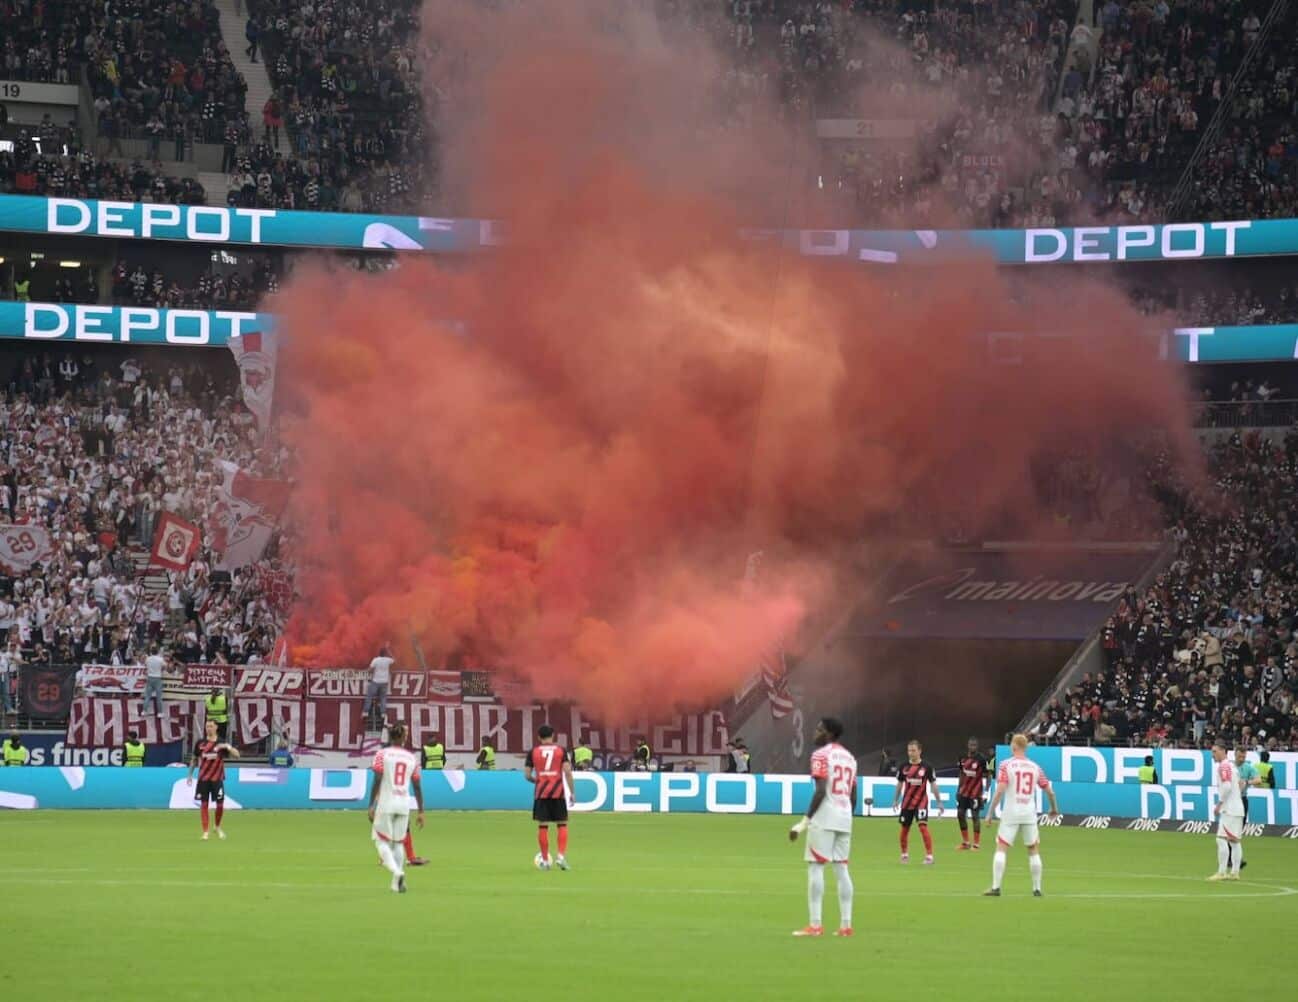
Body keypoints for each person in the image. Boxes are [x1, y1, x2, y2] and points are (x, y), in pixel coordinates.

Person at [788, 718, 856, 937]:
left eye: (819, 729)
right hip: (845, 817)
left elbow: (820, 790)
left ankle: (815, 925)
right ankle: (846, 925)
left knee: (816, 867)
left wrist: (804, 822)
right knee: (841, 868)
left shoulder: (820, 755)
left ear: (828, 733)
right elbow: (853, 794)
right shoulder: (850, 758)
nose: (814, 732)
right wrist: (846, 814)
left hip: (825, 816)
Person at [984, 733, 1059, 897]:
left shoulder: (1006, 765)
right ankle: (1037, 888)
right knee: (1033, 849)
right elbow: (1050, 792)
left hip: (1011, 811)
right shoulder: (1035, 767)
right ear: (1025, 747)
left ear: (1013, 746)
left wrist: (990, 812)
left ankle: (996, 887)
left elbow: (1000, 790)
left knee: (1002, 847)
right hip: (1028, 813)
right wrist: (1054, 808)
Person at [367, 721, 424, 893]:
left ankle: (397, 872)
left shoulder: (381, 754)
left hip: (386, 803)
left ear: (390, 736)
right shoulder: (411, 758)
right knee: (398, 843)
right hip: (403, 804)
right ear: (404, 738)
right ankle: (396, 883)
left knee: (380, 840)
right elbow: (417, 785)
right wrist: (421, 810)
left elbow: (377, 779)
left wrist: (371, 804)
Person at [525, 724, 574, 871]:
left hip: (541, 794)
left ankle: (545, 861)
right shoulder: (561, 751)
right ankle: (560, 857)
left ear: (539, 737)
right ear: (553, 736)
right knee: (562, 823)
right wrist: (572, 792)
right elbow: (567, 772)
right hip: (558, 793)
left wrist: (538, 781)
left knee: (543, 825)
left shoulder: (533, 752)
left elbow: (527, 775)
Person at [187, 719, 240, 840]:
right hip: (203, 779)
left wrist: (227, 746)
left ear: (216, 728)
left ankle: (217, 826)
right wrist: (190, 775)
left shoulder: (221, 743)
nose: (208, 728)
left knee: (220, 805)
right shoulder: (200, 743)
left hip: (217, 779)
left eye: (211, 726)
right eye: (207, 726)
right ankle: (205, 831)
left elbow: (237, 755)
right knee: (204, 804)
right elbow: (194, 759)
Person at [892, 739, 943, 864]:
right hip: (907, 803)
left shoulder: (927, 767)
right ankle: (904, 855)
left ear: (920, 751)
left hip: (921, 802)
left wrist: (939, 801)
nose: (911, 753)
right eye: (909, 750)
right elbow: (899, 784)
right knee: (904, 829)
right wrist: (895, 799)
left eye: (913, 750)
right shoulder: (904, 766)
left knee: (923, 827)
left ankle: (929, 856)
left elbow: (934, 785)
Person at [1208, 741, 1245, 881]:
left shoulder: (1224, 766)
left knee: (1221, 839)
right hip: (1237, 807)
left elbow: (1227, 786)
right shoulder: (1232, 766)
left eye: (1215, 751)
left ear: (1223, 751)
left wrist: (1220, 804)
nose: (1213, 754)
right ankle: (1235, 873)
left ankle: (1222, 872)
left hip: (1229, 809)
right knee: (1234, 841)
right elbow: (1240, 785)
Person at [955, 737, 989, 851]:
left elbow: (988, 775)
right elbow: (961, 773)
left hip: (976, 793)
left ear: (977, 746)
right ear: (968, 745)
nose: (972, 747)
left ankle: (976, 844)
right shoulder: (962, 758)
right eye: (971, 745)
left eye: (974, 745)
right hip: (964, 792)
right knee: (960, 814)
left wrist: (986, 792)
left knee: (975, 816)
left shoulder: (982, 759)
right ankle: (965, 842)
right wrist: (958, 789)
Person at [362, 647, 393, 728]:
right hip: (385, 682)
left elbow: (370, 669)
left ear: (379, 653)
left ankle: (365, 712)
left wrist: (364, 671)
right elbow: (394, 659)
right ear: (385, 654)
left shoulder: (376, 660)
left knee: (369, 696)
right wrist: (389, 652)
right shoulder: (388, 660)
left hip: (376, 681)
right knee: (383, 698)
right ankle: (383, 714)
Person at [140, 647, 167, 716]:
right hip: (157, 678)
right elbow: (165, 666)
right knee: (159, 697)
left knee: (148, 696)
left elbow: (144, 664)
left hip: (150, 677)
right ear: (157, 652)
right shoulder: (160, 659)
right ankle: (160, 712)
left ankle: (144, 711)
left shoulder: (148, 659)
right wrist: (160, 670)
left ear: (151, 652)